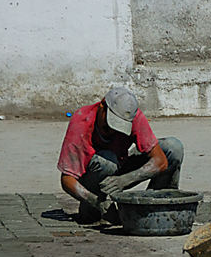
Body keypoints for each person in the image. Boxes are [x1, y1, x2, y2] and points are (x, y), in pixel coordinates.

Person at [57, 87, 184, 224]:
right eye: (109, 125)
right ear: (102, 106)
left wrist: (125, 180)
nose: (112, 131)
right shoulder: (82, 121)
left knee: (173, 148)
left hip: (120, 167)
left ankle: (156, 207)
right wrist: (94, 201)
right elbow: (67, 179)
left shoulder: (132, 115)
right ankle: (96, 211)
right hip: (95, 178)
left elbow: (161, 161)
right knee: (107, 161)